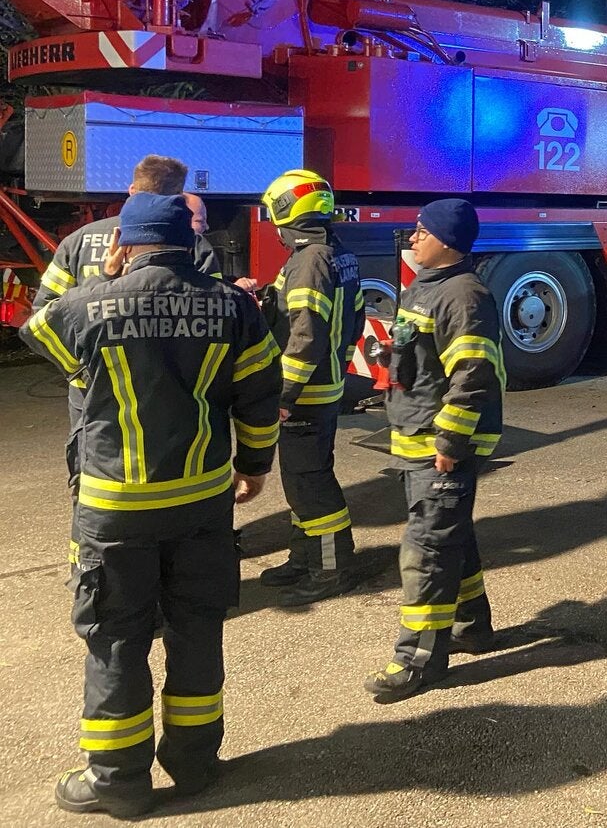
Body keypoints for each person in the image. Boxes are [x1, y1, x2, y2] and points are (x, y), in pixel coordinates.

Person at [19, 193, 281, 818]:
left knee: (116, 637)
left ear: (123, 245)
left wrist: (107, 284)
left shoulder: (87, 305)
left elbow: (37, 334)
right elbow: (260, 394)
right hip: (201, 501)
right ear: (190, 245)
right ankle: (194, 764)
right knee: (197, 626)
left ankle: (118, 780)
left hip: (115, 507)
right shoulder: (233, 307)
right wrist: (253, 468)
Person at [364, 198, 504, 702]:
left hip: (437, 444)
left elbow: (473, 374)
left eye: (422, 231)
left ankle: (418, 660)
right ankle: (471, 625)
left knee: (426, 550)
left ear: (447, 241)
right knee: (451, 535)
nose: (413, 238)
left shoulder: (463, 295)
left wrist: (451, 440)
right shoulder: (428, 287)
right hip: (416, 437)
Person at [32, 156, 223, 494]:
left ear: (131, 190)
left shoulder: (78, 241)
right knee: (181, 478)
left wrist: (80, 371)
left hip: (94, 392)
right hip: (174, 391)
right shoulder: (196, 246)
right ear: (179, 198)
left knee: (96, 480)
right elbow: (215, 320)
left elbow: (44, 319)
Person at [258, 169, 365, 606]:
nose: (275, 229)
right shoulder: (335, 252)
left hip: (305, 394)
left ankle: (332, 567)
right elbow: (353, 319)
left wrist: (283, 393)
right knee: (299, 479)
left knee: (310, 482)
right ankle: (303, 556)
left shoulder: (308, 260)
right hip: (324, 387)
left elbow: (304, 333)